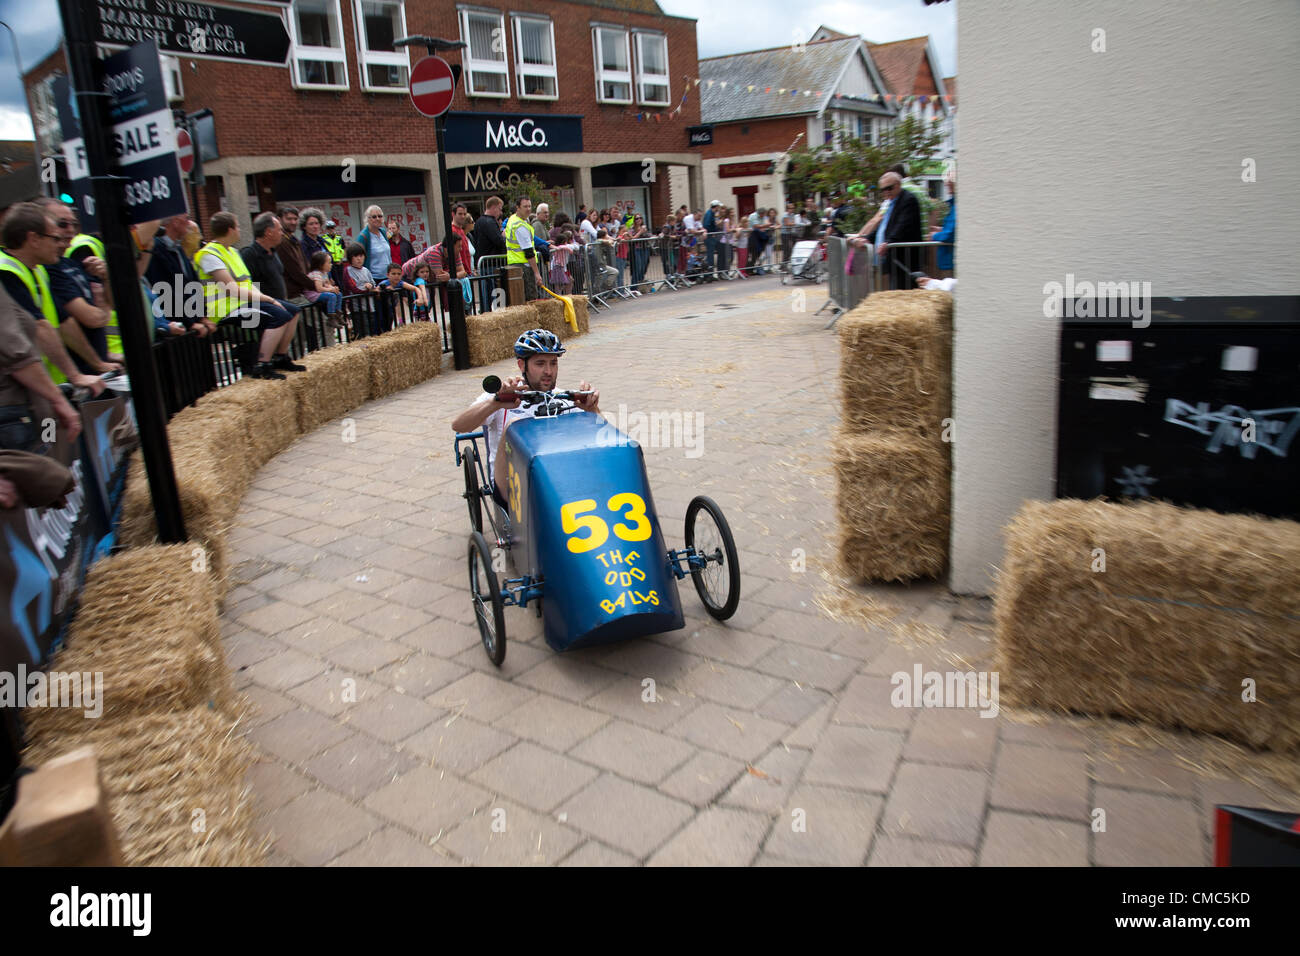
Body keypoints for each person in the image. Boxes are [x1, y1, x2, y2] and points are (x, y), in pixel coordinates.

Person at [449, 328, 600, 504]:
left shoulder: (565, 399)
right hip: (512, 485)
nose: (548, 371)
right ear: (522, 365)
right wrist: (496, 402)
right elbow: (459, 426)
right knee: (514, 424)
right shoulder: (504, 396)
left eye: (553, 363)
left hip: (555, 480)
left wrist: (592, 410)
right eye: (540, 363)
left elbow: (603, 439)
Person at [0, 202, 106, 396]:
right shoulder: (5, 271)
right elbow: (40, 327)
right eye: (54, 238)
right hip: (18, 392)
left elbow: (63, 323)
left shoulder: (38, 270)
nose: (60, 244)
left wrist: (96, 364)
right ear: (33, 239)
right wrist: (75, 376)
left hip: (44, 386)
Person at [194, 211, 304, 378]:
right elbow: (232, 289)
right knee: (279, 316)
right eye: (238, 227)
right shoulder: (209, 254)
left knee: (293, 311)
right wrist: (269, 299)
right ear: (230, 230)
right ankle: (262, 365)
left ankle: (280, 357)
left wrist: (270, 300)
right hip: (224, 308)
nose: (240, 230)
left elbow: (248, 283)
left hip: (241, 302)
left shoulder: (232, 252)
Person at [40, 199, 122, 376]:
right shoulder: (48, 268)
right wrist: (102, 309)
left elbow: (115, 305)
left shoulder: (71, 264)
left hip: (97, 368)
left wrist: (106, 277)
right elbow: (91, 318)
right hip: (78, 373)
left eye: (74, 224)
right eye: (62, 224)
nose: (70, 229)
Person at [0, 284, 82, 451]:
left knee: (53, 454)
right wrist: (57, 397)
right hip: (17, 416)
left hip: (41, 410)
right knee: (45, 466)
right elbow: (15, 352)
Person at [860, 172, 922, 289]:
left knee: (904, 289)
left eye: (889, 188)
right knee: (895, 288)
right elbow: (884, 225)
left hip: (904, 258)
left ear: (898, 184)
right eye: (883, 190)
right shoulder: (891, 202)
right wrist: (868, 238)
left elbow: (902, 225)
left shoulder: (908, 200)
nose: (886, 192)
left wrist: (889, 242)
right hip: (893, 257)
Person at [146, 213, 203, 333]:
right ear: (175, 222)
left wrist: (202, 317)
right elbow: (165, 292)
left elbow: (192, 284)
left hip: (194, 325)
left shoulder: (178, 248)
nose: (189, 223)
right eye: (187, 218)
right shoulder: (156, 250)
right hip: (178, 329)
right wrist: (190, 323)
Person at [504, 196, 543, 302]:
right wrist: (537, 273)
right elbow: (529, 252)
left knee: (520, 298)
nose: (528, 209)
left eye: (530, 206)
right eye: (525, 206)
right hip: (524, 265)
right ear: (518, 208)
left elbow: (504, 234)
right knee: (530, 298)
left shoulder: (513, 219)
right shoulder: (520, 225)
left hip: (514, 263)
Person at [341, 241, 378, 333]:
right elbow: (354, 288)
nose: (359, 259)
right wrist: (367, 288)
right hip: (358, 308)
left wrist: (371, 287)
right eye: (356, 256)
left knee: (372, 331)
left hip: (370, 306)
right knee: (363, 332)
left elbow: (373, 284)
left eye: (361, 256)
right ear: (350, 258)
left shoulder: (366, 270)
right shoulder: (348, 270)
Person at [305, 250, 343, 326]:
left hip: (320, 292)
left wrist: (333, 288)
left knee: (338, 294)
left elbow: (327, 284)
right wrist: (331, 289)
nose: (331, 265)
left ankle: (338, 314)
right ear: (321, 264)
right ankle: (331, 318)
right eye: (329, 263)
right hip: (313, 294)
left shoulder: (325, 273)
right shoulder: (316, 274)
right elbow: (319, 288)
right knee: (331, 296)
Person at [931, 171, 956, 275]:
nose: (946, 184)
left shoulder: (957, 206)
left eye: (950, 181)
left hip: (951, 261)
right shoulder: (954, 204)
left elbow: (951, 234)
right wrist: (942, 229)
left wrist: (935, 235)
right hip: (948, 260)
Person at [357, 205, 391, 276]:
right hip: (372, 279)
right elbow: (357, 260)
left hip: (387, 277)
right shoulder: (363, 236)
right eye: (374, 217)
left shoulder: (383, 232)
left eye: (380, 216)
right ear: (368, 219)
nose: (377, 219)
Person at [702, 200, 721, 277]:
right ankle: (709, 274)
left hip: (711, 236)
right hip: (710, 237)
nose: (719, 208)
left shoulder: (711, 214)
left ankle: (710, 273)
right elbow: (706, 225)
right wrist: (712, 232)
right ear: (716, 207)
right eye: (718, 207)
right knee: (710, 256)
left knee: (711, 255)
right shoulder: (709, 214)